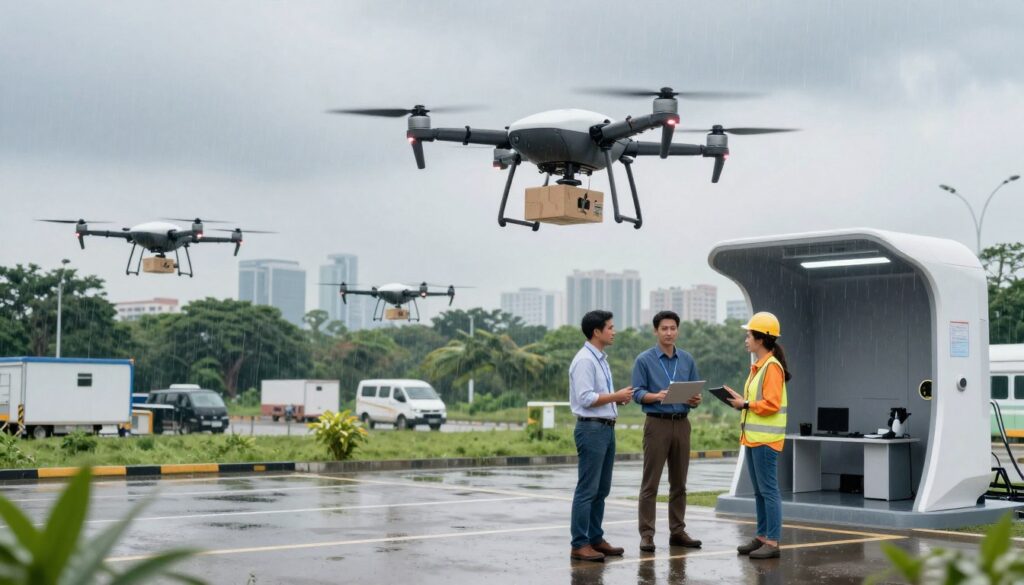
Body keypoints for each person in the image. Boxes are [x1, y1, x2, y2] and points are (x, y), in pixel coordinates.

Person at [631, 310, 703, 552]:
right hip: (657, 423)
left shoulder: (687, 360)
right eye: (664, 328)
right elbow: (637, 393)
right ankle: (647, 534)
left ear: (678, 330)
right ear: (656, 331)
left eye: (673, 328)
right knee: (650, 483)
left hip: (682, 423)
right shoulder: (644, 360)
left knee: (679, 483)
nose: (669, 333)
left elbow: (694, 392)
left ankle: (678, 531)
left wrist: (695, 400)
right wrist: (655, 396)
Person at [723, 311, 791, 560]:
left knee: (769, 491)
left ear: (761, 339)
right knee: (760, 491)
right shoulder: (759, 366)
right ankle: (762, 537)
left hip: (765, 441)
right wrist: (741, 401)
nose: (746, 339)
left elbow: (771, 404)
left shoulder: (771, 367)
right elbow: (757, 401)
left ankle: (772, 542)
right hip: (753, 439)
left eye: (748, 334)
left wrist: (746, 405)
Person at [569, 310, 634, 562]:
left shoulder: (601, 359)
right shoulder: (585, 360)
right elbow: (585, 398)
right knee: (587, 489)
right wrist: (616, 396)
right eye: (610, 327)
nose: (614, 331)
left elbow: (600, 397)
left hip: (606, 427)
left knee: (601, 488)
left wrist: (617, 401)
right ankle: (579, 543)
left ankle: (595, 538)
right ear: (596, 332)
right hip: (591, 428)